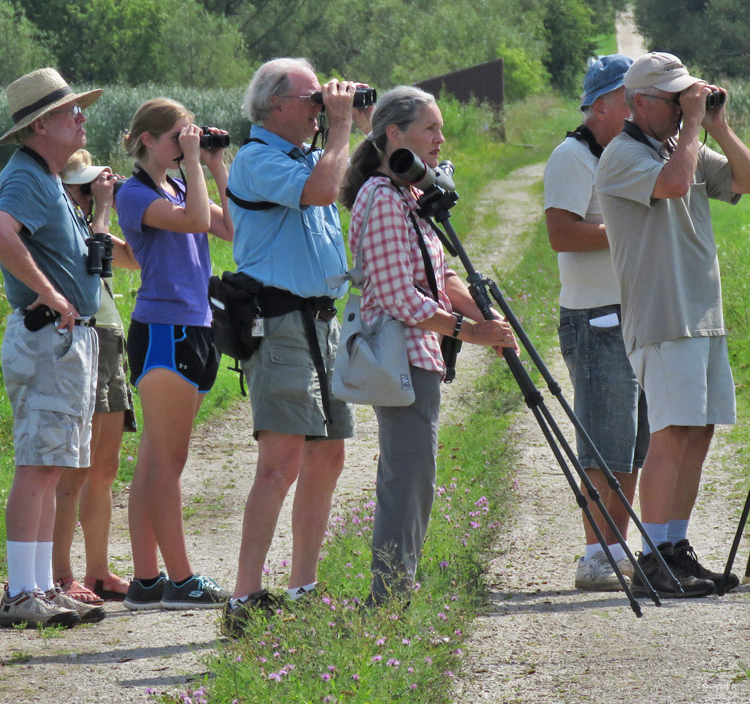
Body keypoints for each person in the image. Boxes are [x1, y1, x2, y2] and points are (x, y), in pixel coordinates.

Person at [340, 86, 517, 605]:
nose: (441, 139)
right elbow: (399, 298)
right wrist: (472, 333)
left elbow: (437, 278)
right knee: (407, 480)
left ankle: (396, 594)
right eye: (430, 128)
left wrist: (482, 313)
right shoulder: (380, 197)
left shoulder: (407, 194)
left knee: (417, 476)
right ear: (394, 135)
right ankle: (388, 601)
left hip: (418, 358)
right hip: (400, 358)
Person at [597, 51, 750, 597]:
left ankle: (675, 545)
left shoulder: (680, 145)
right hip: (663, 314)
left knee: (700, 430)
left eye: (686, 95)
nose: (682, 105)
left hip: (702, 312)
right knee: (670, 434)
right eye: (674, 98)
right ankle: (653, 557)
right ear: (639, 102)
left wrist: (717, 124)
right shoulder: (621, 155)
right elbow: (671, 185)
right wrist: (694, 126)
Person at [220, 58, 371, 636]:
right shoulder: (257, 161)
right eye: (312, 98)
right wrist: (336, 129)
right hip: (279, 324)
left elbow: (357, 183)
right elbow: (323, 191)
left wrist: (357, 121)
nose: (319, 106)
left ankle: (303, 586)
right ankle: (244, 597)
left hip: (321, 322)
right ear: (274, 105)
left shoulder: (306, 154)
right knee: (279, 464)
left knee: (328, 457)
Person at [0, 67, 109, 627]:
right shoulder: (26, 177)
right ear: (41, 125)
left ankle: (35, 587)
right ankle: (18, 594)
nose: (81, 117)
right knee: (37, 467)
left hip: (64, 341)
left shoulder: (47, 175)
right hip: (47, 339)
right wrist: (53, 295)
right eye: (70, 112)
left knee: (51, 466)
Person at [115, 98, 234, 610]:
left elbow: (229, 227)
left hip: (196, 326)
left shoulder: (183, 184)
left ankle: (146, 581)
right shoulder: (133, 193)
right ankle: (181, 581)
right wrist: (191, 160)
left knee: (153, 462)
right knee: (168, 462)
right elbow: (190, 223)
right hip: (164, 329)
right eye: (175, 138)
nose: (182, 144)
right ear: (149, 140)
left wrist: (212, 163)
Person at [543, 55, 650, 592]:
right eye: (629, 100)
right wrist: (628, 229)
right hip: (595, 317)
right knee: (602, 444)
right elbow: (561, 233)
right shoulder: (571, 157)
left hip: (634, 313)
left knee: (631, 443)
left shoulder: (624, 154)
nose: (636, 110)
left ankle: (616, 546)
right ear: (602, 105)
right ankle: (593, 553)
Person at [51, 150, 140, 604]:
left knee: (104, 470)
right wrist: (103, 207)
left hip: (111, 339)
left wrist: (135, 201)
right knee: (75, 469)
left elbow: (136, 259)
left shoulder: (87, 220)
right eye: (82, 186)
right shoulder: (58, 220)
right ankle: (60, 574)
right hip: (84, 339)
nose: (90, 193)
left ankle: (99, 572)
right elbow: (96, 265)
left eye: (92, 185)